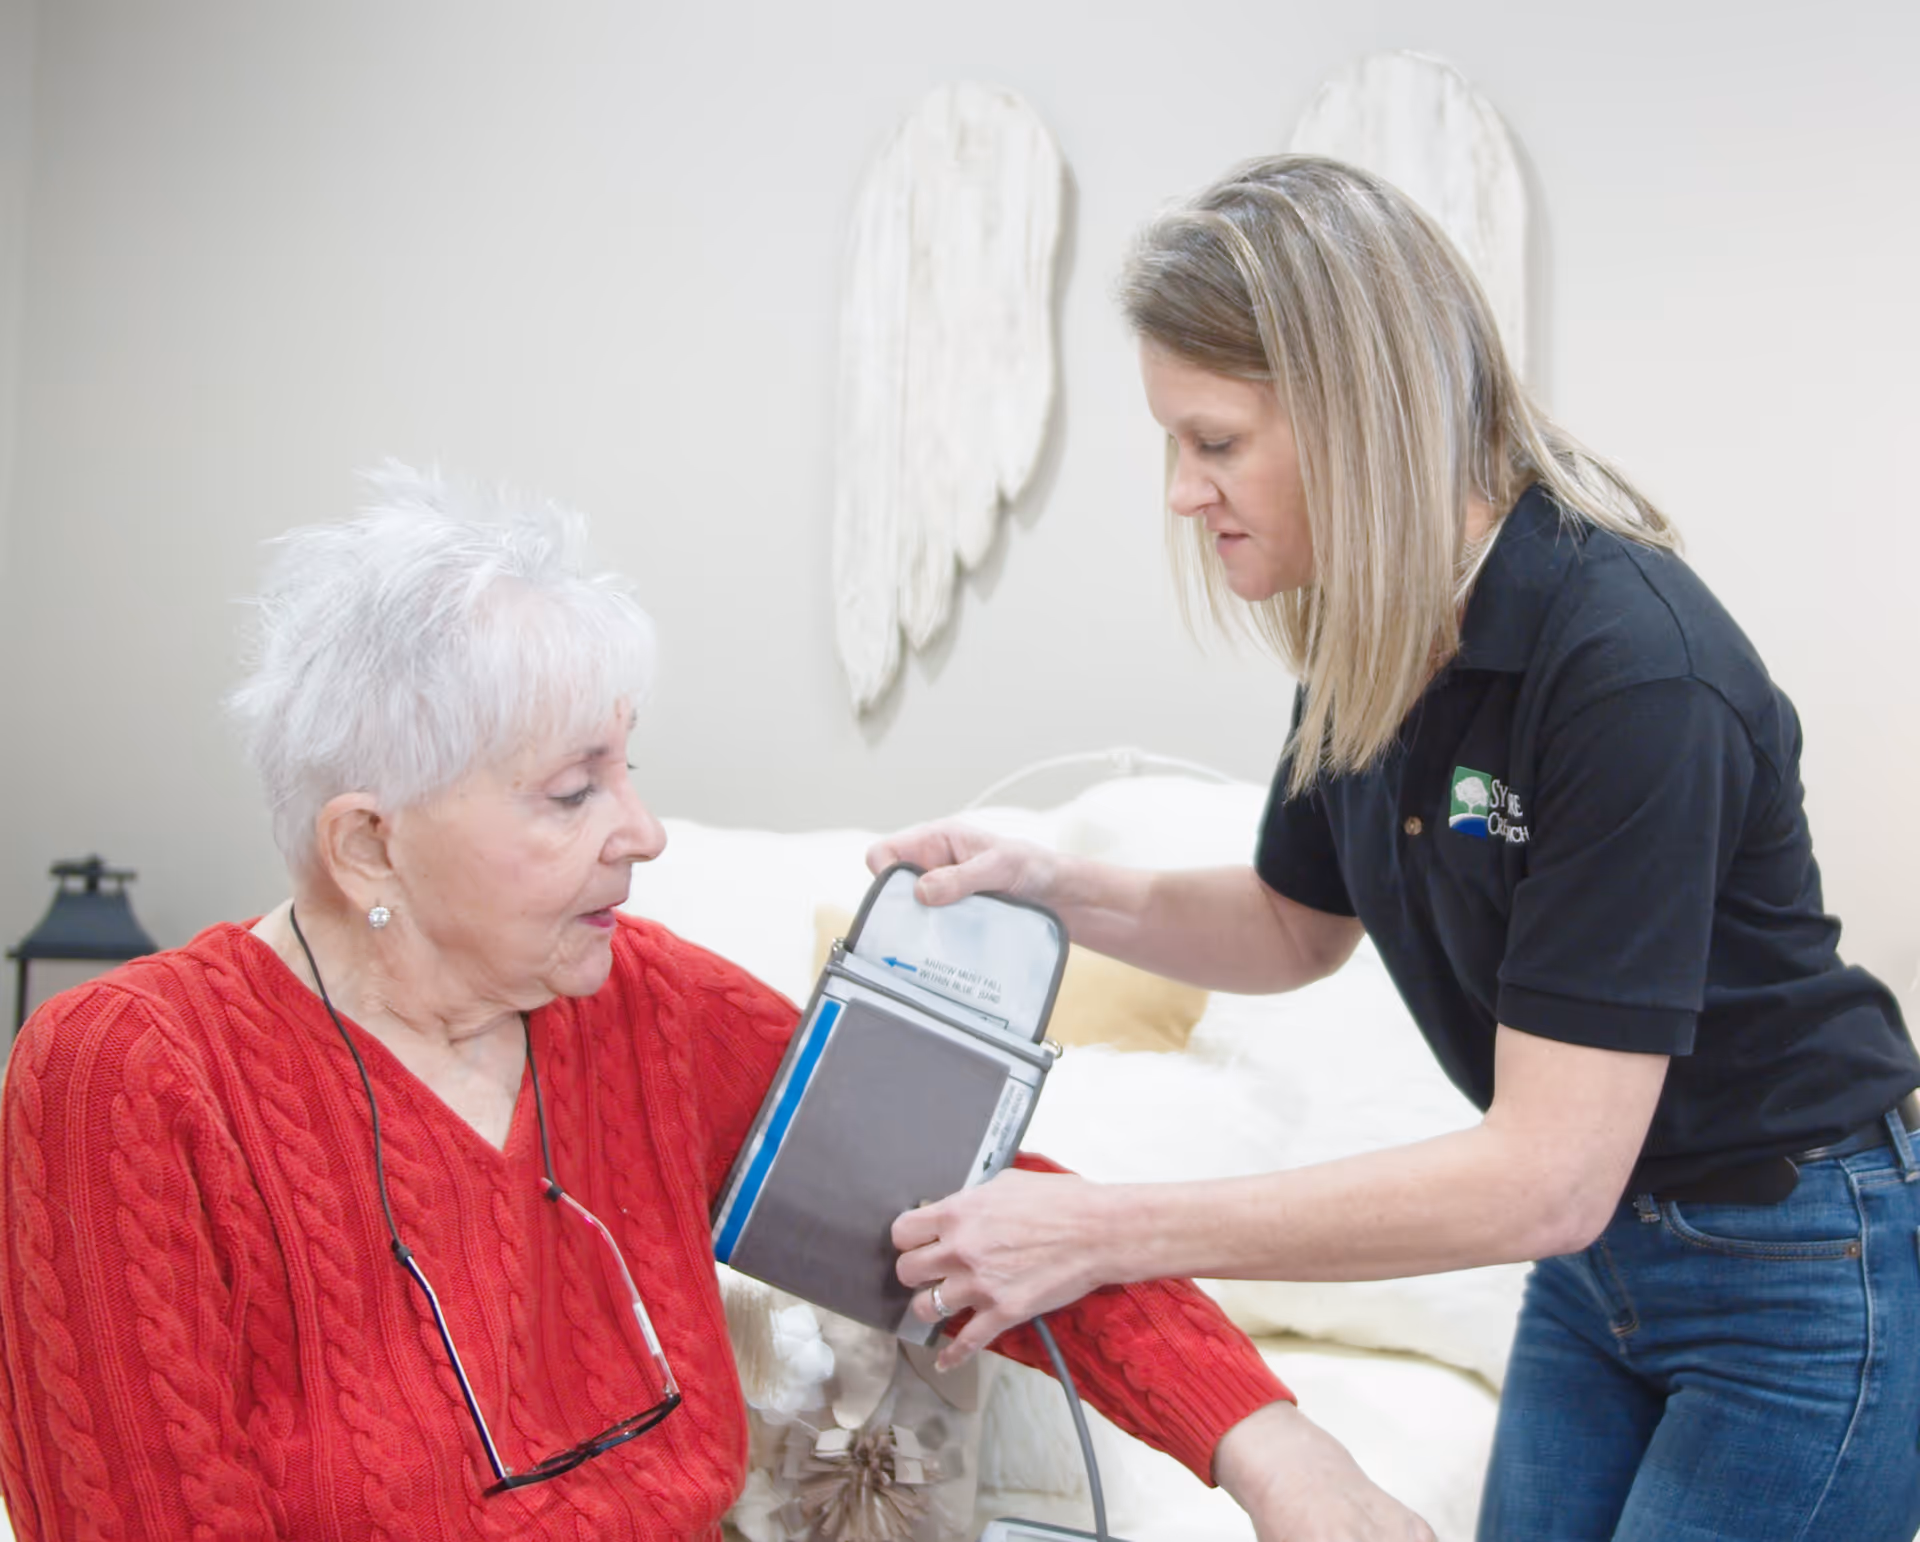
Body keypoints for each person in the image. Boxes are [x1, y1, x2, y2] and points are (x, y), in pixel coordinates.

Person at [0, 466, 1429, 1542]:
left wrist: (1273, 1444)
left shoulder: (641, 1008)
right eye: (572, 792)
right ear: (368, 843)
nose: (644, 831)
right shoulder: (130, 1070)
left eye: (627, 769)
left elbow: (997, 1218)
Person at [875, 156, 1920, 1542]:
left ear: (1359, 416)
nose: (1184, 492)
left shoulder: (1628, 670)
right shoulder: (1376, 633)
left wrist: (1102, 1229)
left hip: (1796, 1266)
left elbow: (1546, 1168)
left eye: (1215, 441)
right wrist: (1050, 883)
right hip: (1601, 1263)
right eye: (1174, 444)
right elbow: (1292, 921)